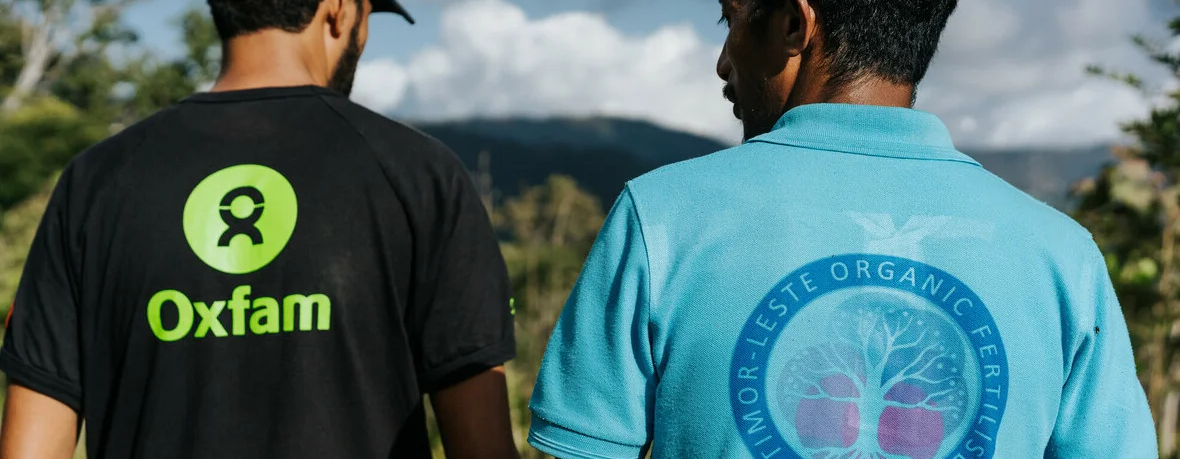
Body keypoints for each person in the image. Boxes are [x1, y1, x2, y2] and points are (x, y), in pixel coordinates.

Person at [527, 0, 1158, 458]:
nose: (723, 63)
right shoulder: (1060, 255)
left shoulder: (660, 217)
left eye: (730, 21)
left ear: (795, 25)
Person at [0, 1, 520, 458]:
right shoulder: (421, 176)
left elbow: (33, 444)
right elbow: (484, 447)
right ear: (338, 10)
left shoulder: (94, 183)